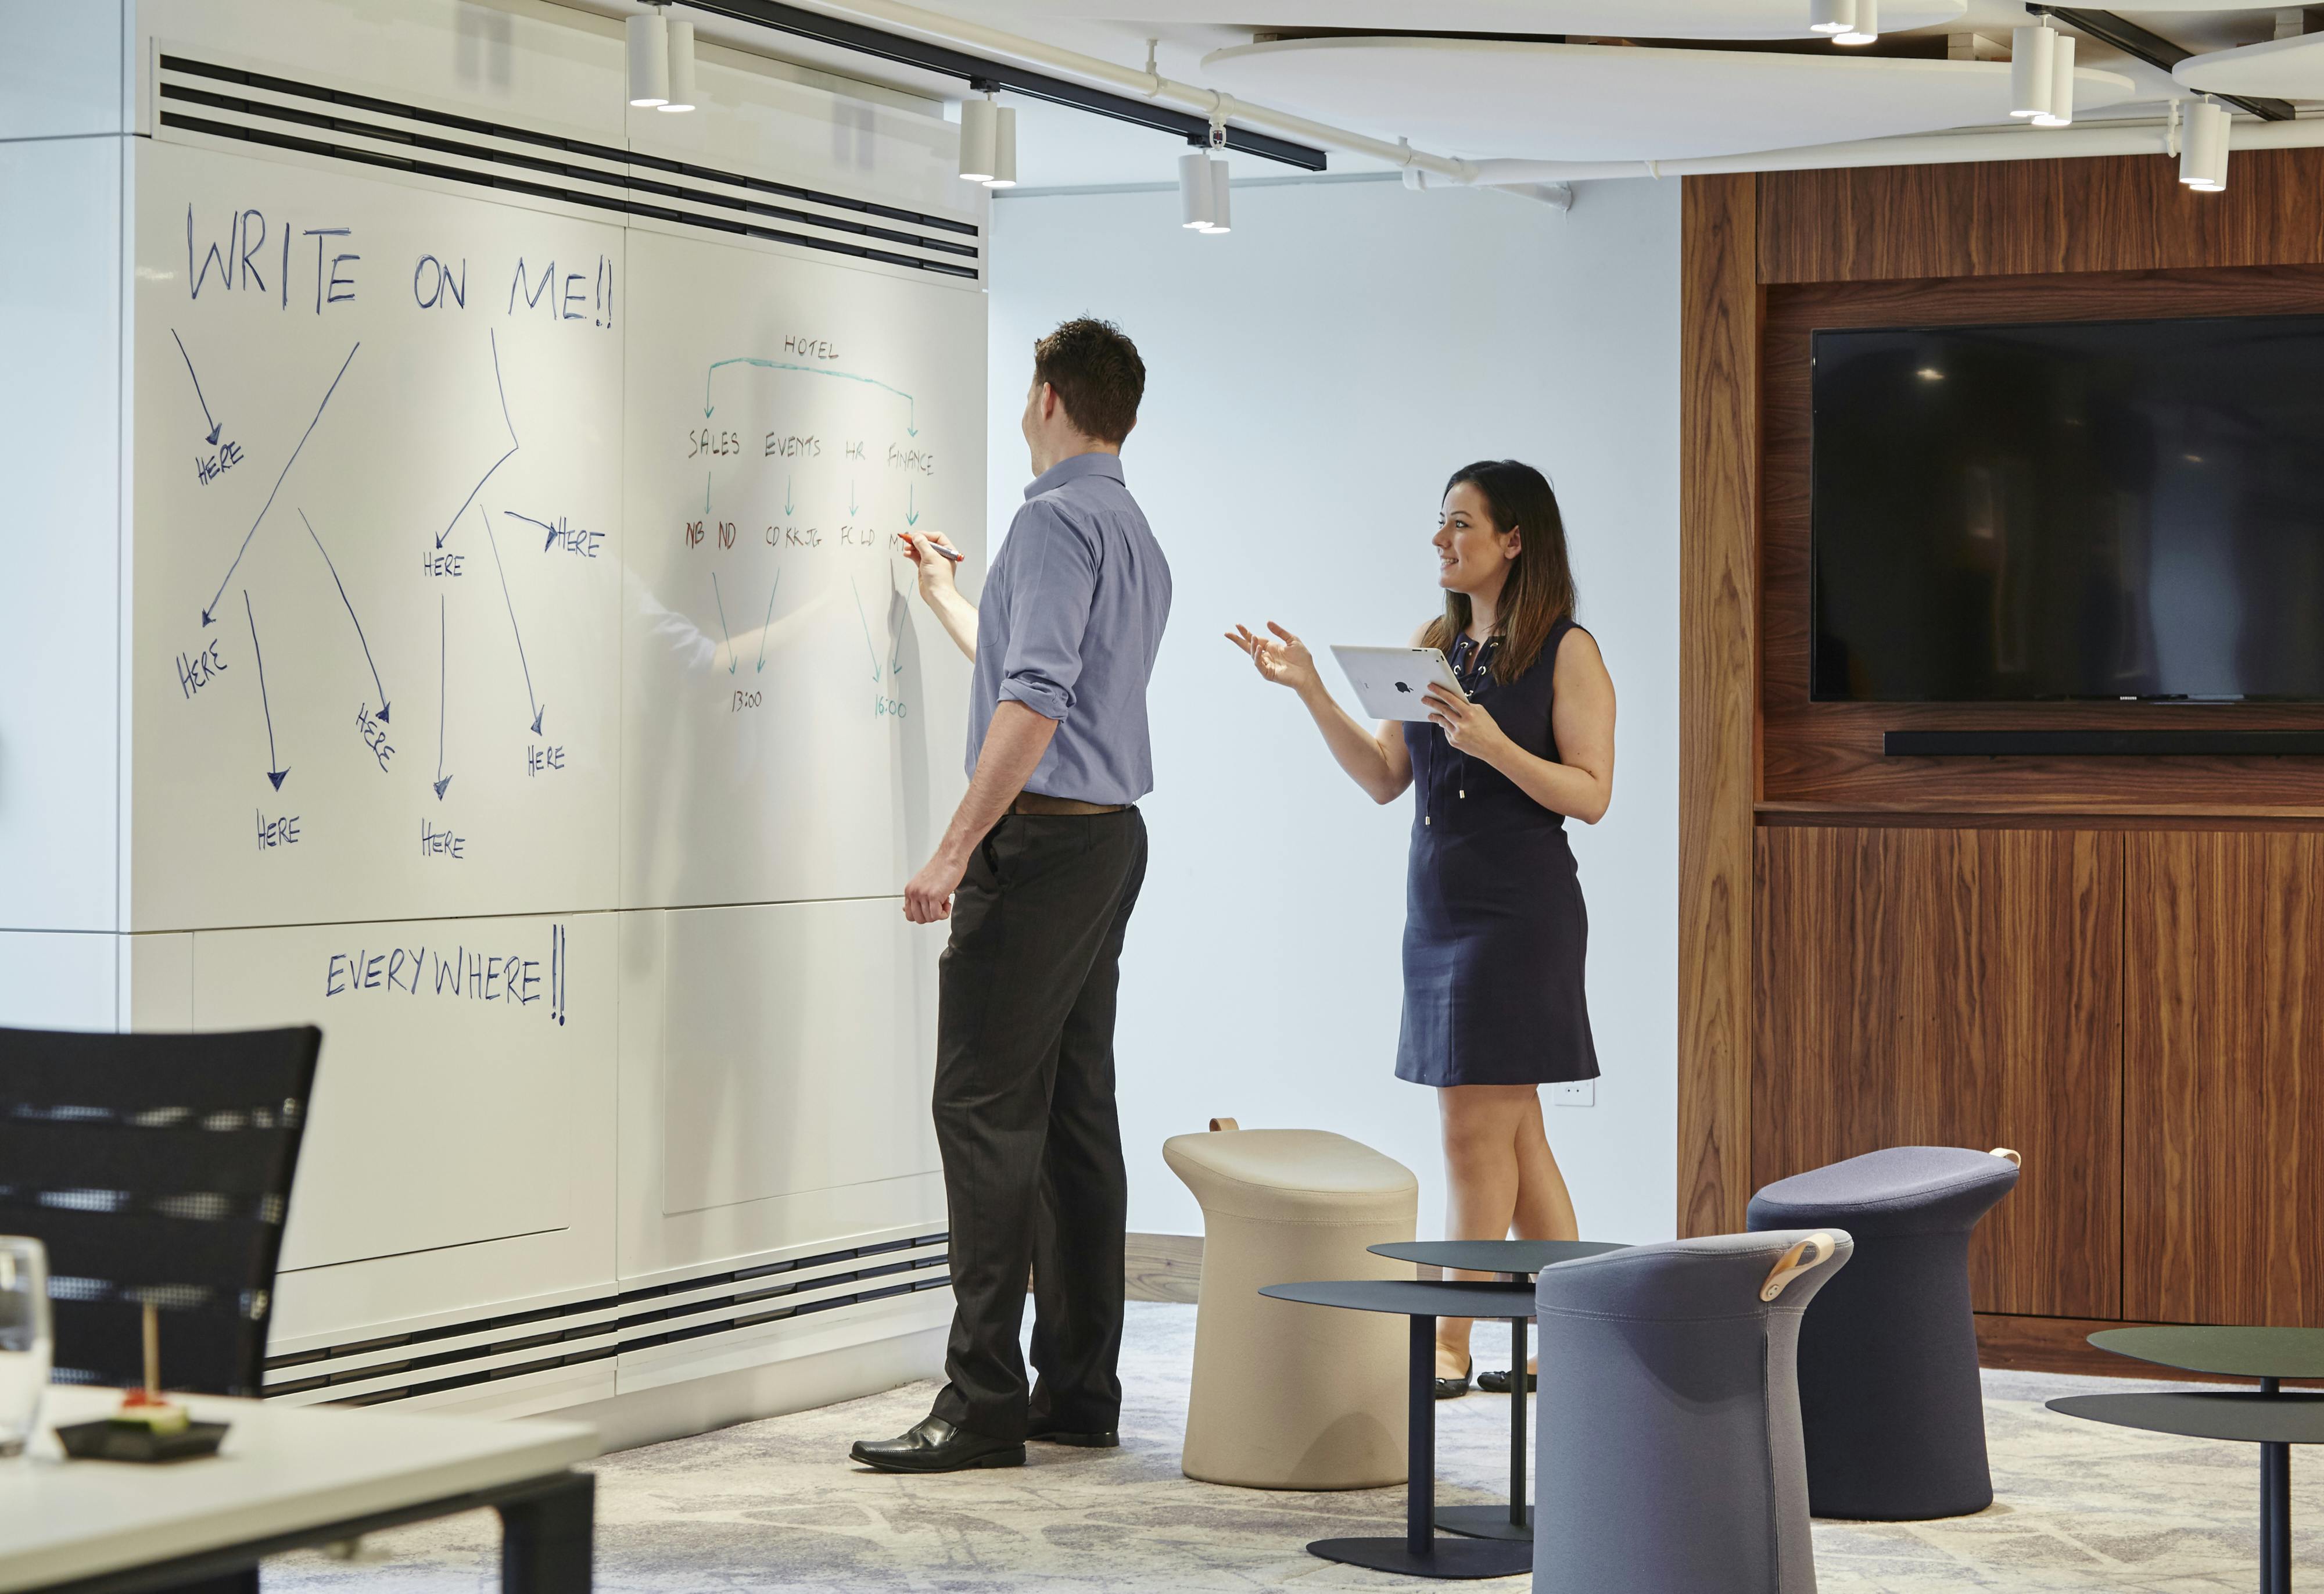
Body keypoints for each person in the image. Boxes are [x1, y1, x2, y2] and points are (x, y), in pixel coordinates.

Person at [851, 318, 1172, 1473]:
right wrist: (944, 596)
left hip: (1034, 854)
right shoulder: (1128, 527)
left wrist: (949, 853)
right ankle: (1077, 1389)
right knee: (1075, 1118)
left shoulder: (1050, 522)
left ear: (1045, 396)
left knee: (983, 1110)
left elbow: (1032, 709)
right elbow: (1037, 674)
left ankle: (981, 1399)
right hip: (1106, 843)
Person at [1227, 460, 1614, 1397]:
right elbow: (1382, 777)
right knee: (1513, 1140)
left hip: (1521, 917)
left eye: (1460, 525)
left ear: (1514, 540)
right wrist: (1312, 689)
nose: (1442, 542)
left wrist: (1494, 743)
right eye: (1441, 526)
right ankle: (1573, 1336)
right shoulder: (1431, 645)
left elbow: (1592, 795)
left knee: (1471, 1135)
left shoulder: (1568, 651)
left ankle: (1450, 1341)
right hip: (1437, 915)